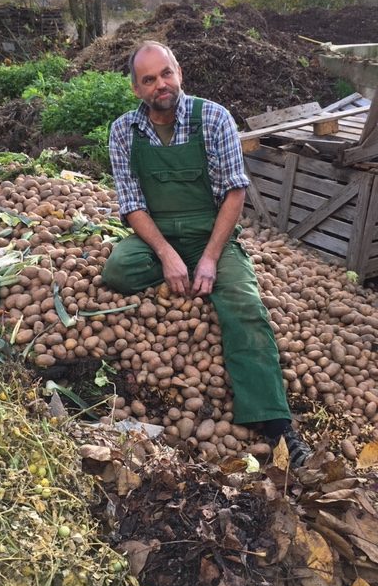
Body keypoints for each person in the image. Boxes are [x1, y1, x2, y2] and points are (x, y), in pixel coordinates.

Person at [102, 40, 312, 468]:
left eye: (166, 73)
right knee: (119, 270)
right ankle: (178, 273)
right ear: (136, 89)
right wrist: (166, 254)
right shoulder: (123, 130)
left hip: (211, 232)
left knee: (245, 307)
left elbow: (235, 193)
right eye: (149, 79)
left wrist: (211, 258)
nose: (161, 84)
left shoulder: (213, 118)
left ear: (178, 71)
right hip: (157, 234)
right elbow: (131, 204)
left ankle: (276, 424)